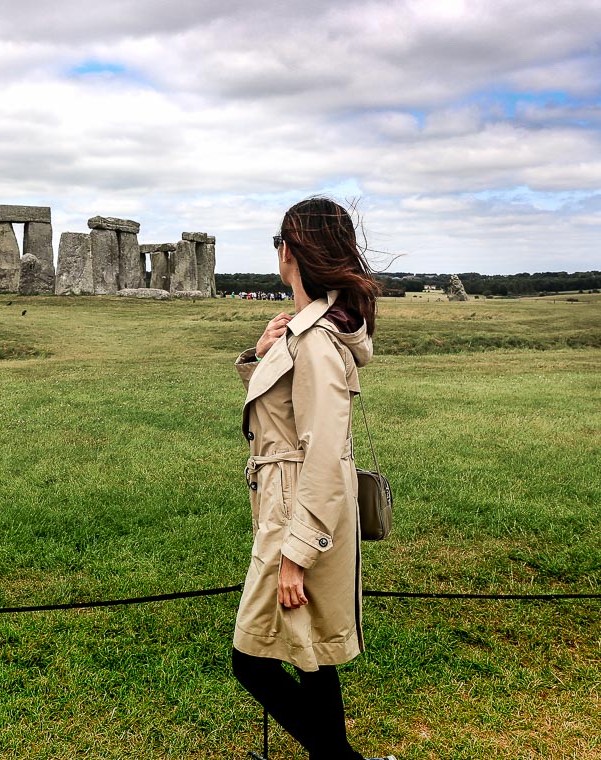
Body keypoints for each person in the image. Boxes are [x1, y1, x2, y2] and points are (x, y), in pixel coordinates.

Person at [231, 197, 394, 760]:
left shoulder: (318, 342)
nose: (277, 253)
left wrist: (296, 553)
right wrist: (260, 354)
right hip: (292, 504)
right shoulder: (304, 333)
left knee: (251, 659)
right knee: (312, 653)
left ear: (293, 251)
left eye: (279, 242)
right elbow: (282, 414)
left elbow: (324, 450)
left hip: (299, 512)